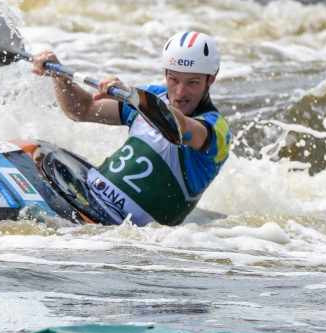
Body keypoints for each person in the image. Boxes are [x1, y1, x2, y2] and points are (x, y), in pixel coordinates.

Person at [31, 32, 230, 226]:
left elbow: (180, 125)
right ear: (166, 74)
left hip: (119, 229)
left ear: (211, 78)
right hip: (85, 197)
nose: (180, 92)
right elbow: (82, 110)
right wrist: (59, 76)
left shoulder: (216, 128)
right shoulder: (151, 96)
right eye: (174, 79)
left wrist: (132, 97)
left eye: (192, 82)